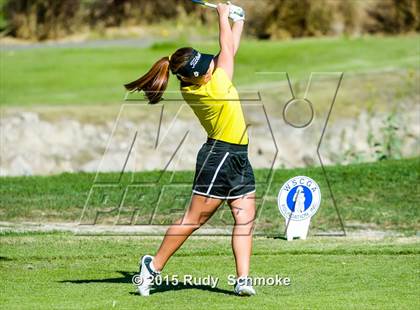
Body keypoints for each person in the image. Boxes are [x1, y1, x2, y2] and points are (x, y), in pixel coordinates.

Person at [124, 3, 256, 297]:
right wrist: (225, 16)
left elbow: (226, 50)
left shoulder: (195, 82)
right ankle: (152, 267)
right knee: (193, 220)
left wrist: (239, 20)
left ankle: (243, 279)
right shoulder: (214, 86)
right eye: (205, 69)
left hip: (237, 156)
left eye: (208, 63)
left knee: (244, 216)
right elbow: (228, 49)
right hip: (220, 156)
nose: (211, 67)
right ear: (191, 78)